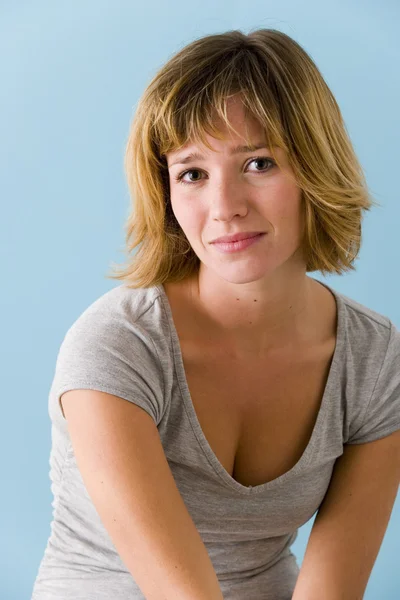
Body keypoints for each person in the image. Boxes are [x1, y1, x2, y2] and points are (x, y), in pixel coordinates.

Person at [31, 28, 400, 600]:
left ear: (314, 170)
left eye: (258, 163)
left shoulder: (374, 360)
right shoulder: (118, 347)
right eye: (192, 173)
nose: (225, 208)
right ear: (167, 193)